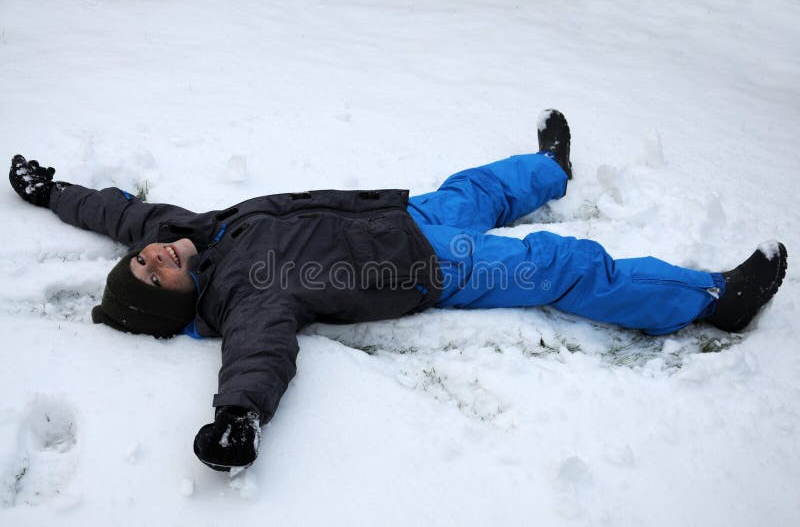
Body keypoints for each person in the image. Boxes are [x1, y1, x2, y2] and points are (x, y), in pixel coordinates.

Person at [8, 110, 787, 472]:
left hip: (404, 214)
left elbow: (122, 213)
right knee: (562, 262)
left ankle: (551, 171)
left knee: (478, 187)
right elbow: (259, 354)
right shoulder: (249, 295)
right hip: (429, 268)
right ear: (177, 298)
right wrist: (239, 418)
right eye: (154, 271)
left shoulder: (199, 232)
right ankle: (713, 300)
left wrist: (51, 193)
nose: (151, 251)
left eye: (142, 256)